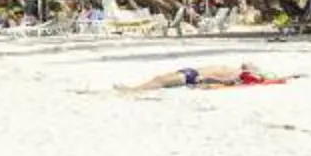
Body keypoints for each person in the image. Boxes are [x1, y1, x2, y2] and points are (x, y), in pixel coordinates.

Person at [118, 63, 298, 92]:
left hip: (194, 75)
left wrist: (203, 80)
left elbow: (223, 81)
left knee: (159, 81)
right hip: (192, 71)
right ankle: (134, 89)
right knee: (158, 78)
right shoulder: (235, 69)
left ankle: (133, 90)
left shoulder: (236, 74)